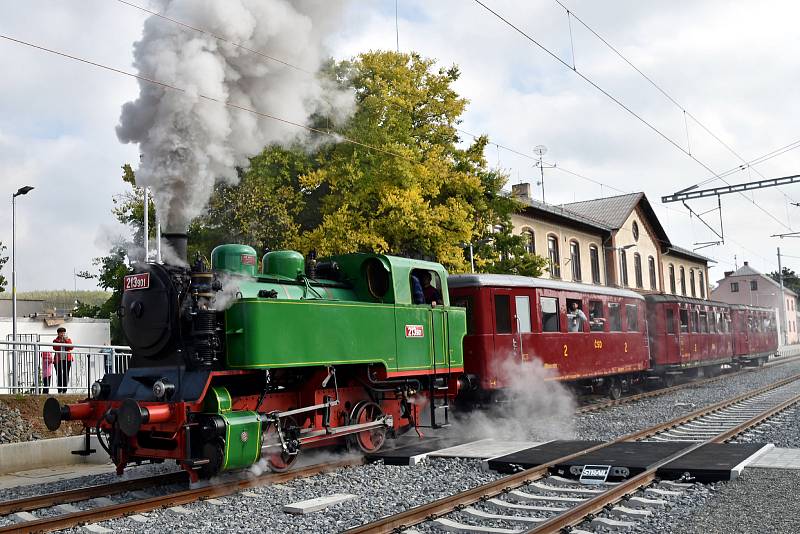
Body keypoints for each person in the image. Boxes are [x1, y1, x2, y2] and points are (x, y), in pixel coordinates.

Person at [53, 327, 74, 394]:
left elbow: (71, 347)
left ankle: (65, 390)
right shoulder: (55, 341)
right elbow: (55, 348)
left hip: (67, 359)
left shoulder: (68, 340)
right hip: (58, 360)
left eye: (63, 333)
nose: (62, 334)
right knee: (59, 374)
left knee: (66, 374)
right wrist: (60, 342)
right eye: (61, 333)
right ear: (58, 334)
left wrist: (66, 341)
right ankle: (59, 390)